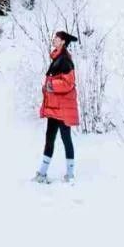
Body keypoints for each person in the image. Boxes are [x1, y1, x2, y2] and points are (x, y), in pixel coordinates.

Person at [33, 30, 79, 184]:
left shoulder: (65, 60)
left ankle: (70, 175)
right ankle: (42, 173)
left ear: (63, 42)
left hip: (63, 108)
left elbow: (68, 83)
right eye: (54, 38)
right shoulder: (57, 58)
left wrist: (50, 85)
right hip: (54, 107)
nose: (54, 40)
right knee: (49, 139)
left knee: (66, 139)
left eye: (57, 39)